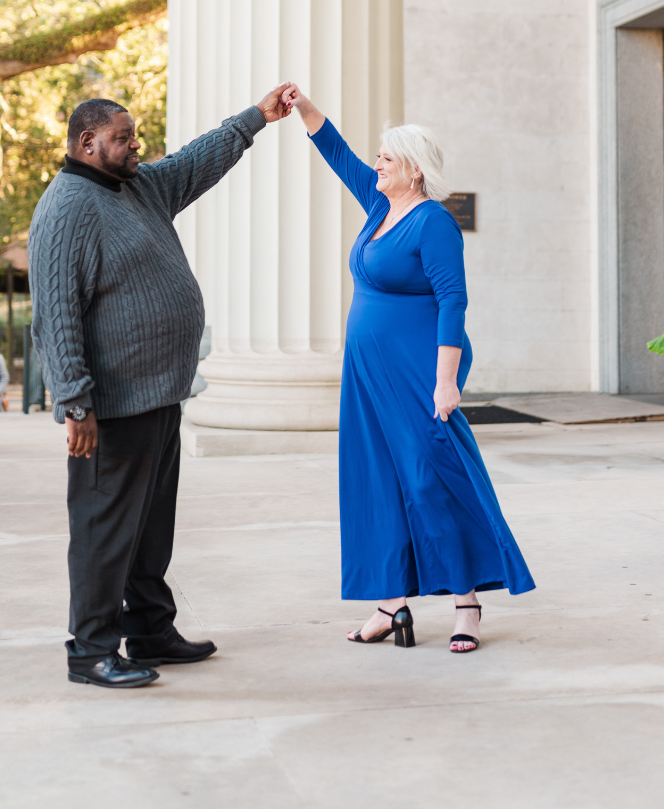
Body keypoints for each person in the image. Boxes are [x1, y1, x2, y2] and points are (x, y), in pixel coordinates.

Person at [31, 87, 296, 688]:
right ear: (86, 143)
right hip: (111, 405)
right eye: (123, 138)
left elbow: (194, 161)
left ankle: (150, 627)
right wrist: (74, 402)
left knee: (150, 523)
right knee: (103, 526)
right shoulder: (66, 208)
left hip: (159, 391)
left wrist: (256, 118)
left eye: (133, 136)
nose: (135, 144)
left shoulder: (139, 187)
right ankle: (90, 651)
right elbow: (57, 313)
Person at [284, 89, 535, 653]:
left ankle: (467, 602)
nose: (376, 165)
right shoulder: (380, 209)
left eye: (387, 159)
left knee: (432, 480)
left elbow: (454, 302)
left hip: (416, 373)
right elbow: (337, 152)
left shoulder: (433, 224)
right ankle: (390, 605)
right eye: (378, 157)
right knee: (374, 481)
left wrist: (447, 380)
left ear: (414, 172)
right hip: (368, 375)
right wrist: (303, 107)